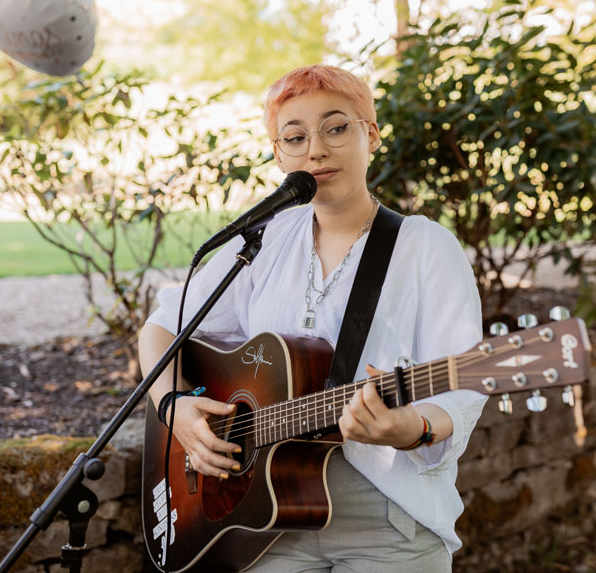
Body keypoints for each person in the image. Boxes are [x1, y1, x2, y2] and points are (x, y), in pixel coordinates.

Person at [138, 64, 487, 572]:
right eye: (295, 137)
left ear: (371, 135)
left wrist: (406, 427)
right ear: (279, 155)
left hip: (386, 519)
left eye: (336, 127)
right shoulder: (266, 238)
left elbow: (464, 388)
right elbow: (163, 327)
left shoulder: (425, 247)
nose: (316, 150)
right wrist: (176, 408)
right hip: (266, 519)